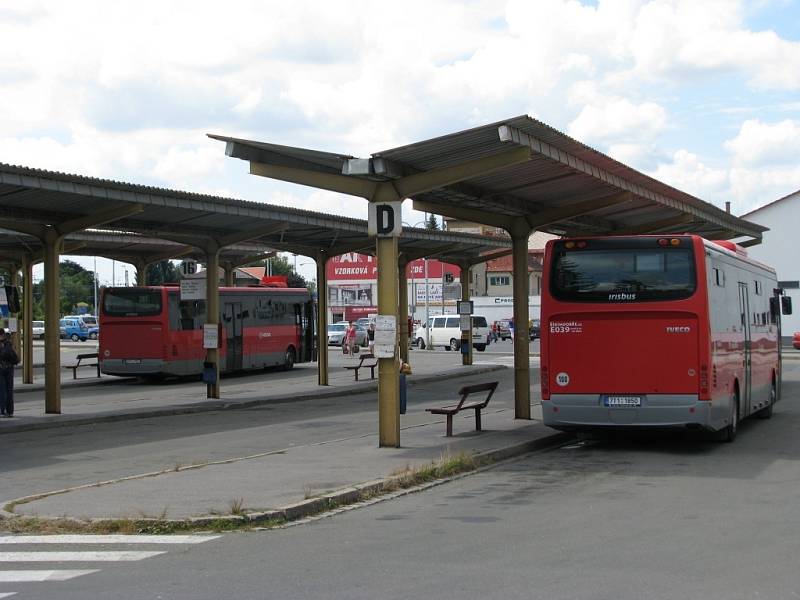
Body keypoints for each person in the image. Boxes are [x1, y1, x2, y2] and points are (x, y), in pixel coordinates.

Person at [0, 328, 19, 418]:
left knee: (2, 390)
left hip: (1, 368)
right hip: (10, 368)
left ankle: (2, 411)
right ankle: (10, 411)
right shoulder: (9, 343)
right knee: (9, 389)